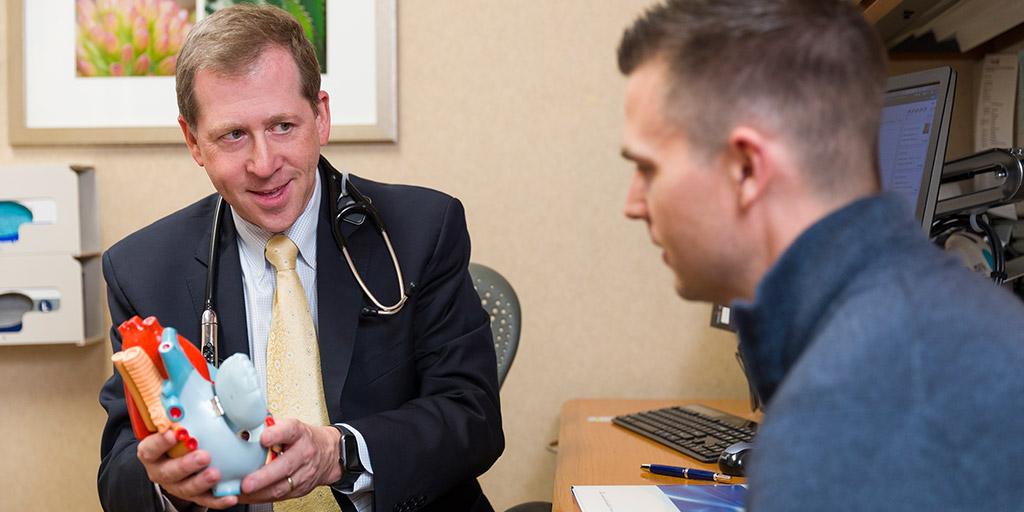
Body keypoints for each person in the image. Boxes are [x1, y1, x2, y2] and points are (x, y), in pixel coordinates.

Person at [617, 0, 1024, 509]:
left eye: (648, 169)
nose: (632, 204)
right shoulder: (937, 326)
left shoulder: (843, 415)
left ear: (746, 169)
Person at [97, 5, 503, 512]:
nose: (264, 164)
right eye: (232, 135)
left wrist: (341, 454)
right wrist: (169, 484)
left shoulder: (421, 229)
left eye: (283, 125)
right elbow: (119, 474)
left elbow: (474, 417)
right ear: (193, 142)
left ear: (321, 116)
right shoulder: (143, 270)